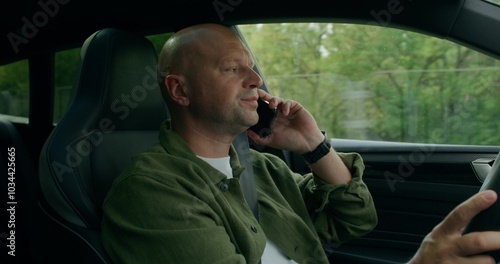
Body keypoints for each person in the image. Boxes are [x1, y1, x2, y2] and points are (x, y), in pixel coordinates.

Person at [101, 23, 500, 264]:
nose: (255, 80)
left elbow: (354, 220)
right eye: (231, 68)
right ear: (180, 91)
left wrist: (313, 144)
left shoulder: (263, 169)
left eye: (252, 68)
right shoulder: (151, 191)